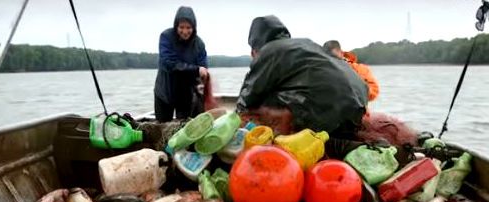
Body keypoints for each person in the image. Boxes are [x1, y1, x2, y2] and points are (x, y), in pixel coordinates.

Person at [237, 15, 368, 138]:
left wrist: (236, 121)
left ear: (254, 49)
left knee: (260, 105)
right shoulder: (307, 43)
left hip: (327, 117)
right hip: (358, 106)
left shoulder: (268, 51)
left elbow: (247, 98)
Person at [154, 6, 208, 122]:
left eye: (188, 27)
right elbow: (169, 64)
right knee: (162, 126)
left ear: (194, 27)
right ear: (176, 26)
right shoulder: (166, 37)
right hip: (164, 92)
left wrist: (202, 77)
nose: (185, 31)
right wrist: (196, 70)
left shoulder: (199, 44)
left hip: (185, 95)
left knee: (184, 127)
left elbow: (203, 68)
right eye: (181, 27)